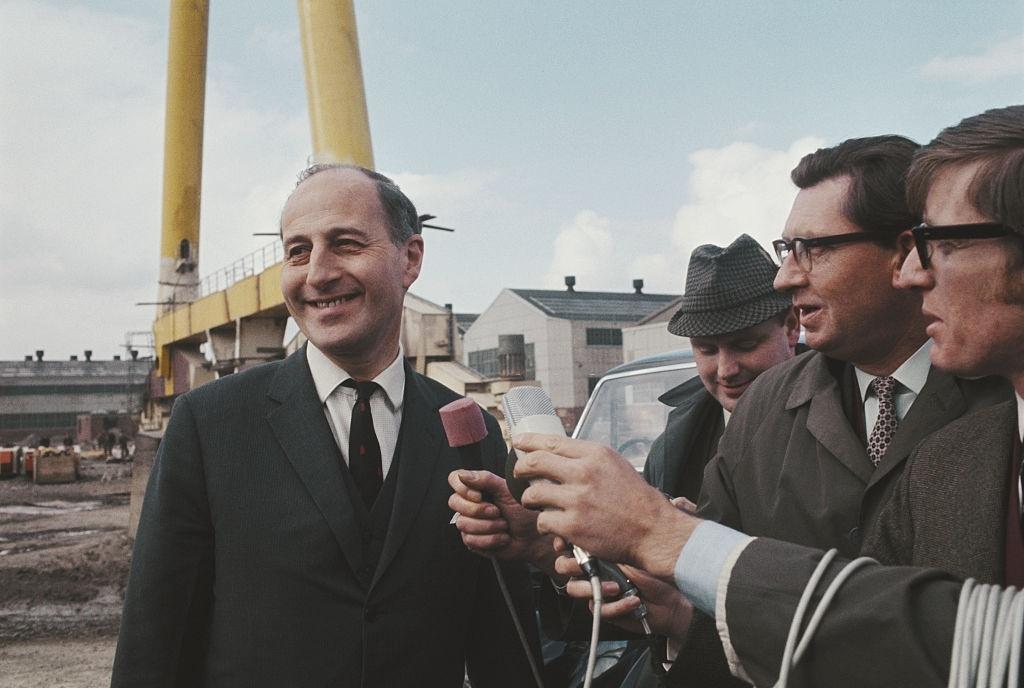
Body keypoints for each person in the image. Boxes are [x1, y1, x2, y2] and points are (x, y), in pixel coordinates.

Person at [512, 104, 1024, 687]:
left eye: (813, 249)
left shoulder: (1002, 404)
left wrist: (671, 537)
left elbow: (956, 632)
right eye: (787, 251)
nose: (786, 278)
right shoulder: (763, 408)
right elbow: (717, 617)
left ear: (900, 250)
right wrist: (673, 602)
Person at [112, 164, 540, 687]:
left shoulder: (470, 432)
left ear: (410, 259)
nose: (317, 273)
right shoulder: (210, 425)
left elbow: (506, 639)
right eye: (298, 251)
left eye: (345, 244)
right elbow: (155, 638)